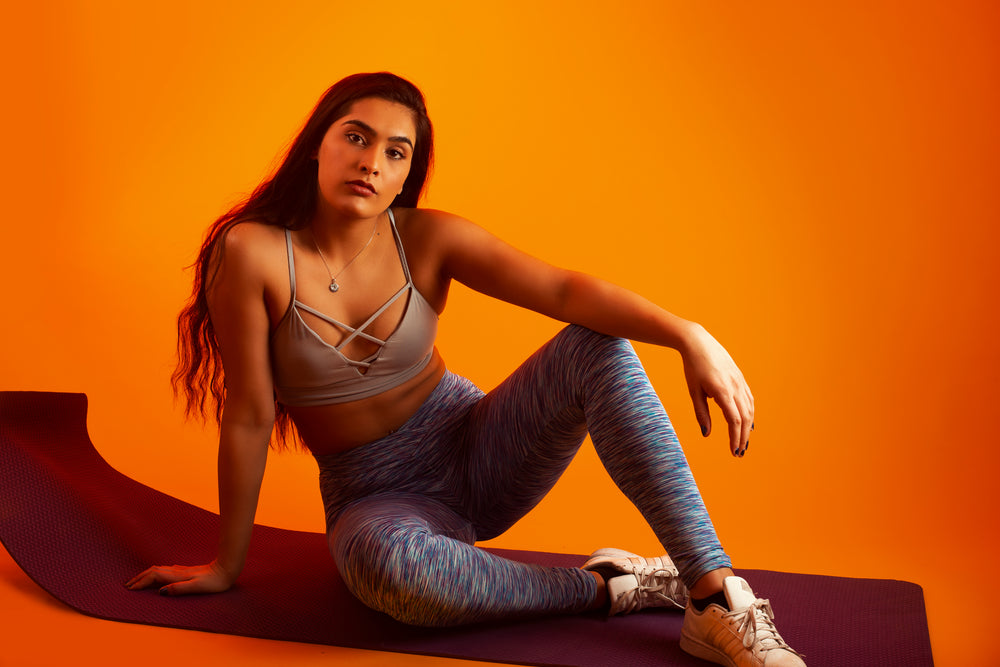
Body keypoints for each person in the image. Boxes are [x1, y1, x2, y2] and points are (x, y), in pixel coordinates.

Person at [126, 72, 805, 666]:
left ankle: (714, 594)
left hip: (477, 448)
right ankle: (613, 587)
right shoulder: (253, 254)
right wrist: (226, 564)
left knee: (597, 345)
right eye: (356, 138)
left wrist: (688, 334)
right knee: (387, 571)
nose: (371, 162)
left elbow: (565, 291)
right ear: (317, 144)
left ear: (406, 172)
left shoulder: (427, 238)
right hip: (377, 494)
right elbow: (248, 414)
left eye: (396, 152)